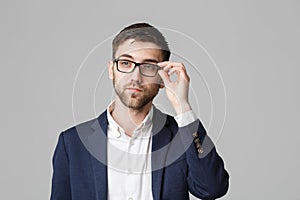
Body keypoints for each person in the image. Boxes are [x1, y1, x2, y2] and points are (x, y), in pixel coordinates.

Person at [50, 22, 229, 200]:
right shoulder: (72, 143)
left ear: (162, 78)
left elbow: (212, 188)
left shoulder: (181, 136)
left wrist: (183, 106)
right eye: (126, 63)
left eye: (149, 66)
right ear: (112, 70)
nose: (136, 77)